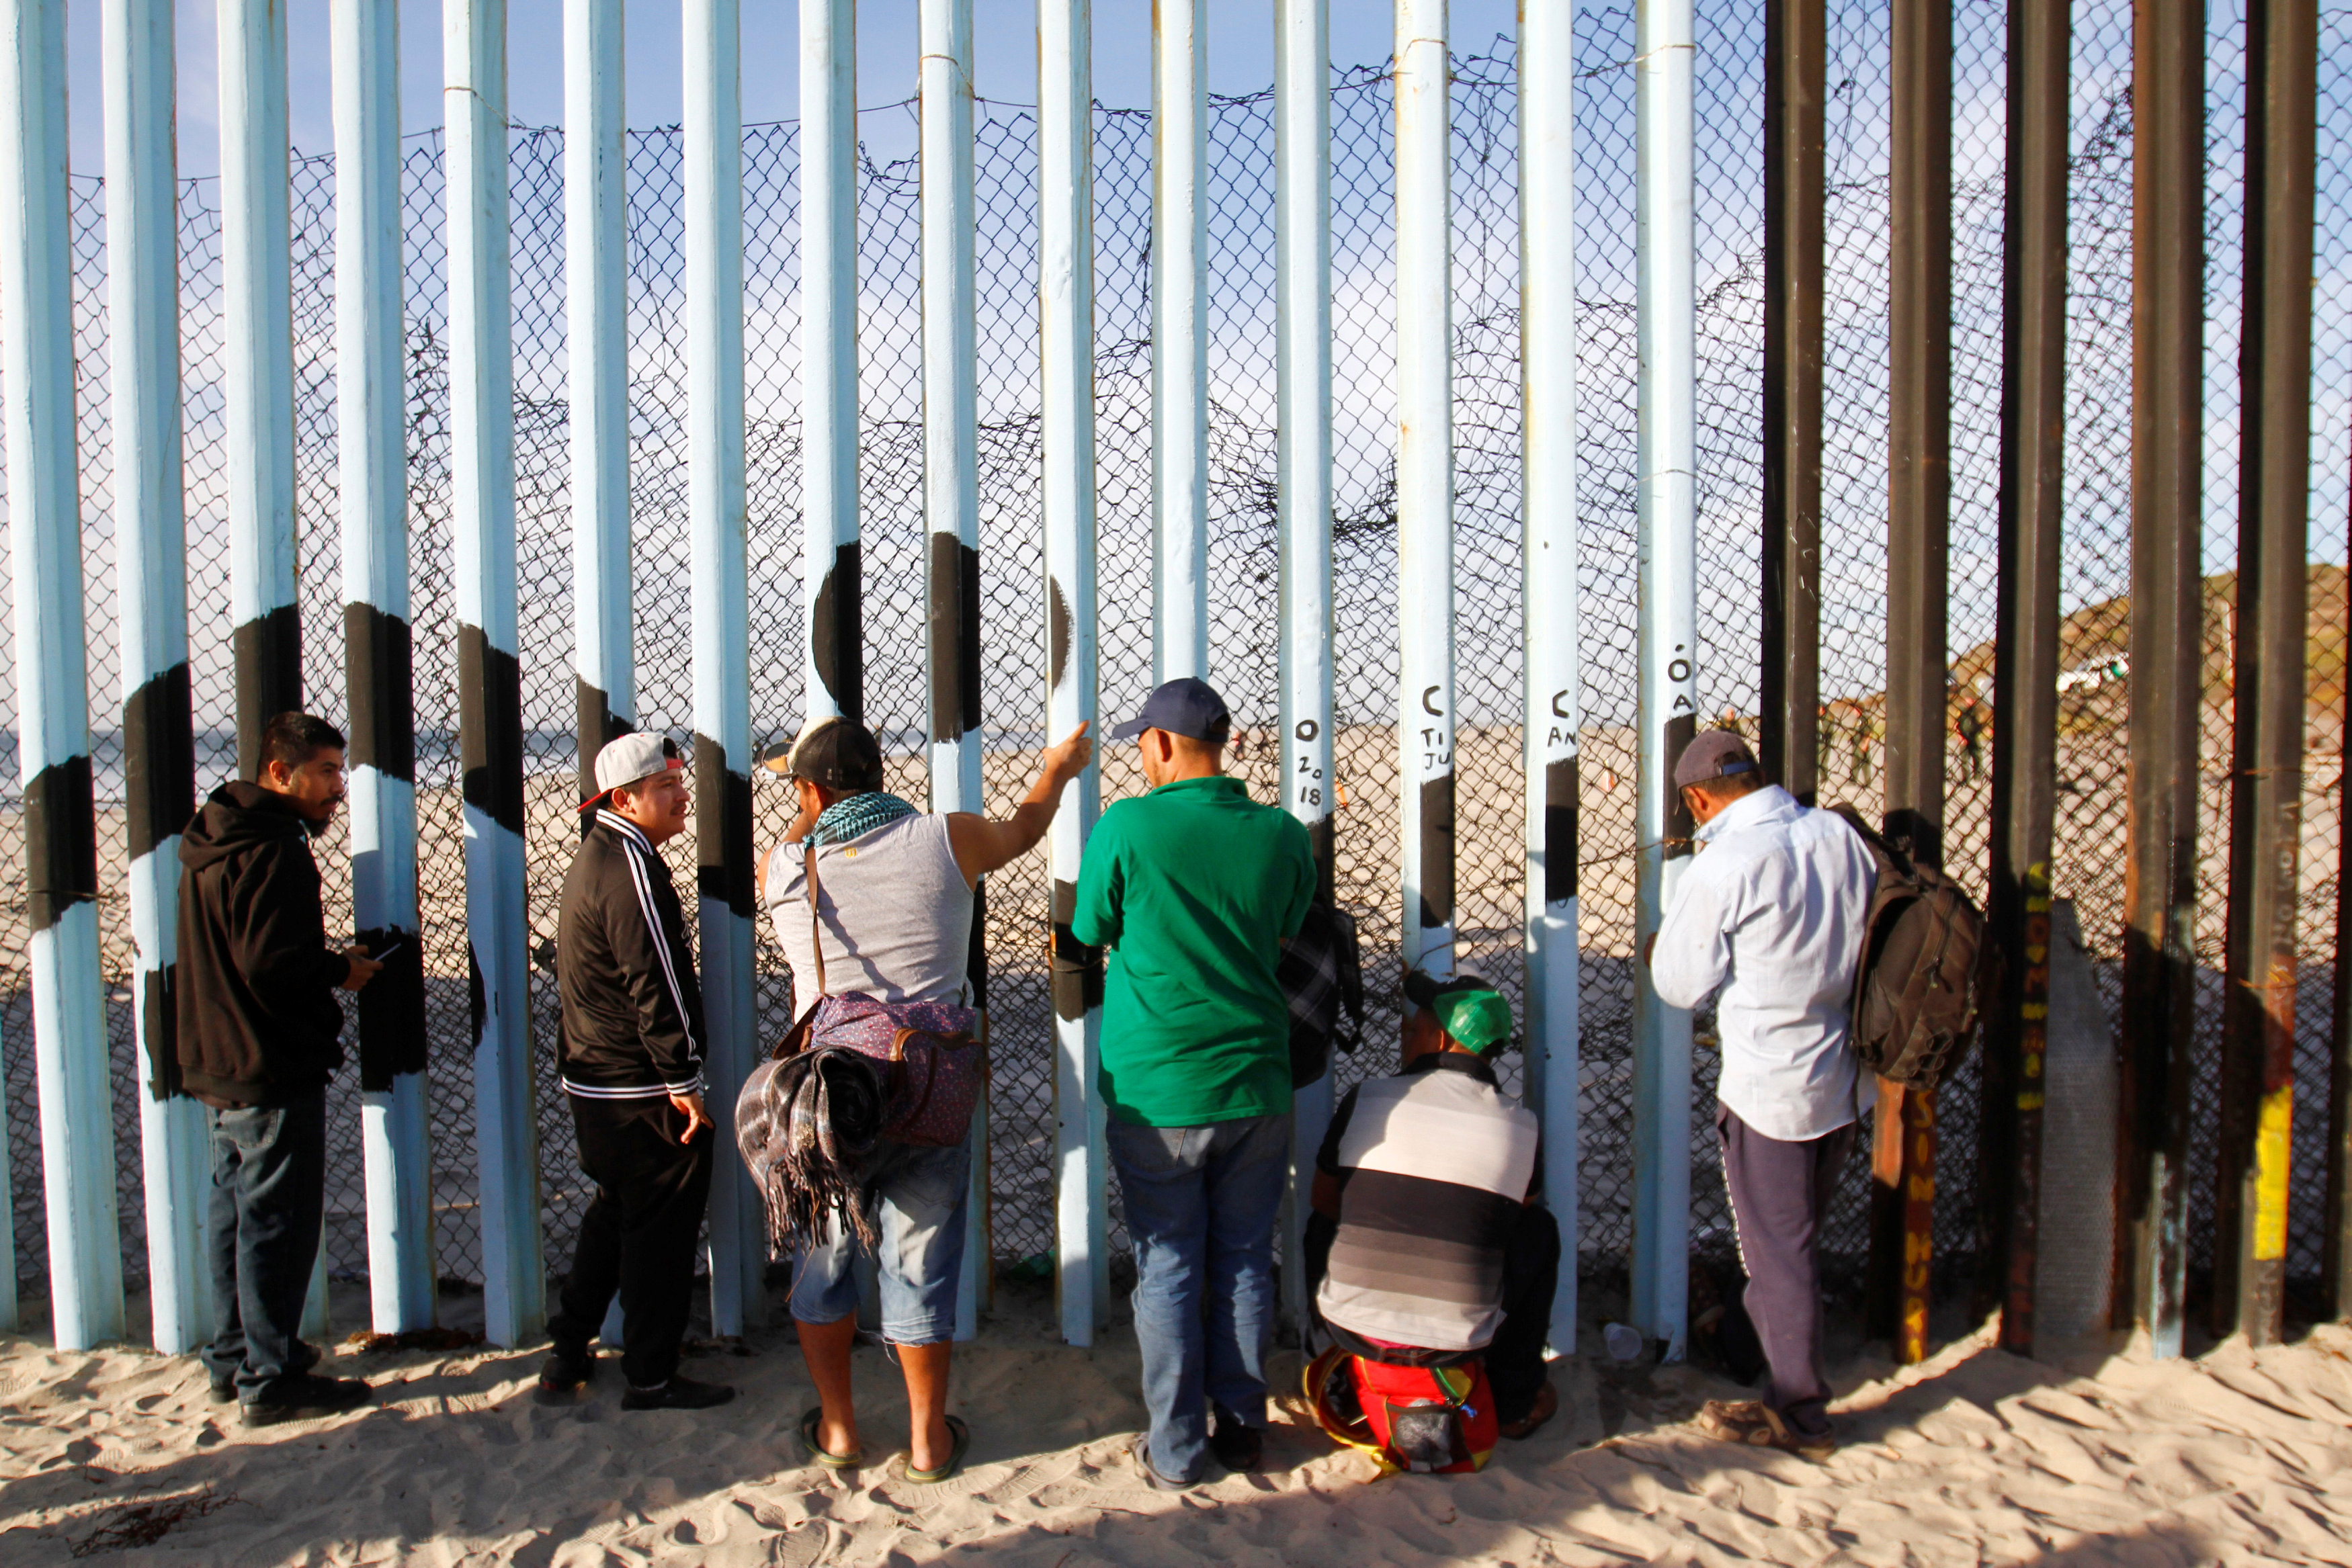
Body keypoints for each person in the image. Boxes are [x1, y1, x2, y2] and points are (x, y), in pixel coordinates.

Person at [755, 713, 1095, 1482]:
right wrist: (1057, 768)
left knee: (825, 1255)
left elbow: (796, 846)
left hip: (831, 1097)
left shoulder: (782, 862)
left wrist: (808, 818)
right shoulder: (949, 839)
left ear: (810, 790)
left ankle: (839, 1429)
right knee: (921, 1262)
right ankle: (926, 1440)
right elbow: (1026, 828)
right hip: (928, 1087)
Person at [1070, 677, 1317, 1490]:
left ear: (1163, 744)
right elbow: (1287, 923)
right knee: (1245, 1255)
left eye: (1141, 741)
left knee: (1169, 1261)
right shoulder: (1281, 832)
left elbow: (1089, 928)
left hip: (1159, 1088)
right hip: (1255, 1079)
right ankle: (1243, 1427)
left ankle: (1175, 1448)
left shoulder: (1128, 826)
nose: (1139, 755)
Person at [1644, 729, 1874, 1459]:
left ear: (1696, 798)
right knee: (1793, 1238)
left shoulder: (1724, 864)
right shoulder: (1837, 833)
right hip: (1843, 1077)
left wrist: (1663, 937)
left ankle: (1799, 1413)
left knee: (1778, 1253)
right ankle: (1755, 1352)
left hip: (1770, 1088)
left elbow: (1679, 985)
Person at [177, 711, 383, 1426]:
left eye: (339, 771)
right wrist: (342, 969)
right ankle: (271, 1375)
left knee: (232, 1211)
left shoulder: (213, 839)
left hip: (215, 1057)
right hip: (267, 1060)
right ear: (278, 774)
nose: (337, 789)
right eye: (325, 772)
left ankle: (232, 1357)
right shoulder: (275, 849)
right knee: (276, 1219)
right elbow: (271, 962)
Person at [538, 732, 734, 1412]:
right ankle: (650, 1376)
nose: (682, 796)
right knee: (660, 1234)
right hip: (639, 1087)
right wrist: (684, 1082)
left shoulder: (599, 857)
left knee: (615, 1213)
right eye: (664, 787)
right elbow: (659, 985)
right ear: (623, 799)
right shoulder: (629, 867)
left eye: (679, 782)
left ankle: (567, 1355)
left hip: (597, 1080)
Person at [1305, 970, 1561, 1449]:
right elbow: (1516, 1215)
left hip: (1352, 1327)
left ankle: (1334, 1358)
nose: (1408, 1033)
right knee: (1538, 1231)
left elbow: (1323, 1200)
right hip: (1457, 1341)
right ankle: (1513, 1400)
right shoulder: (1520, 1125)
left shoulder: (1369, 1098)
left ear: (1441, 1037)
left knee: (1328, 1219)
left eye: (1413, 1028)